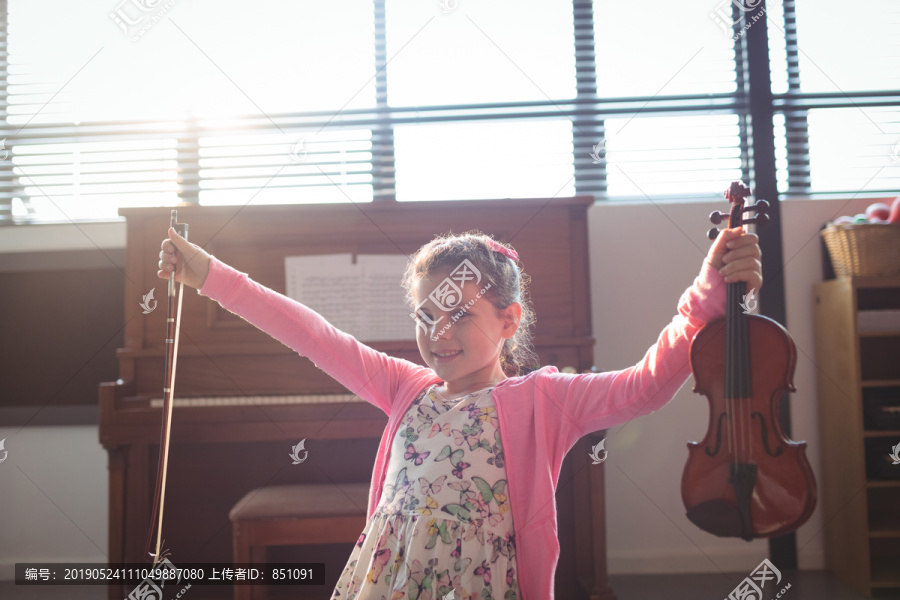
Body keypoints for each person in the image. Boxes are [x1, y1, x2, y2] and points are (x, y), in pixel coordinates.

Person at [158, 224, 762, 600]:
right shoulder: (404, 388)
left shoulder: (542, 399)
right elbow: (310, 333)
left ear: (508, 321)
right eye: (426, 316)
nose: (438, 333)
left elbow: (645, 385)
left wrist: (709, 296)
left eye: (459, 315)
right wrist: (208, 275)